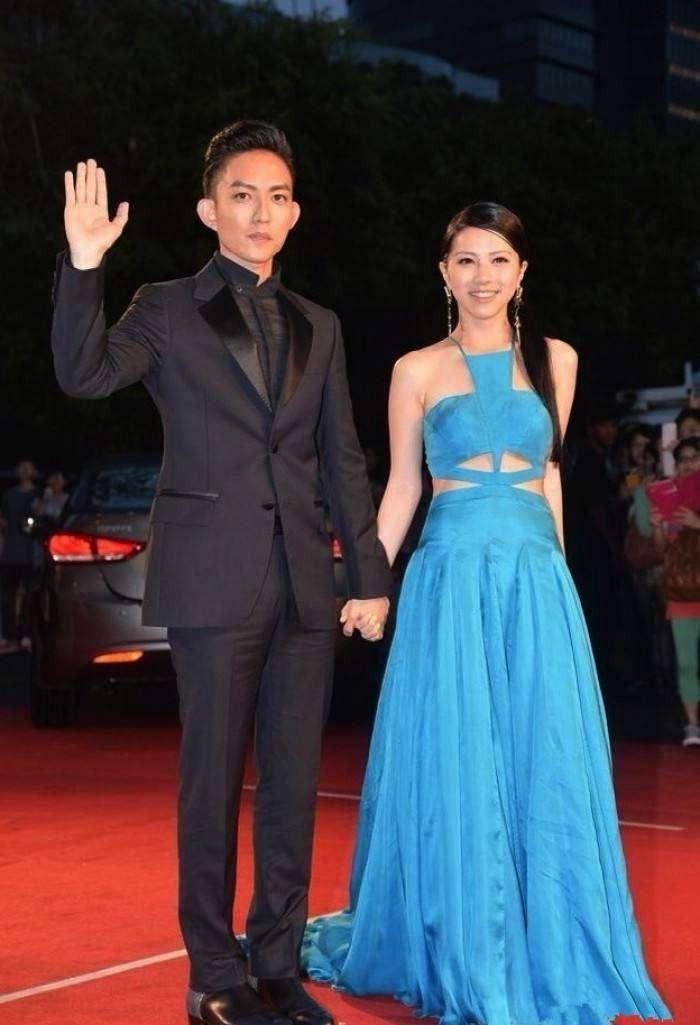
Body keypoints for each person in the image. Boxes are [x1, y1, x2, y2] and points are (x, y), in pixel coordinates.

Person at [51, 122, 392, 1025]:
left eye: (277, 196)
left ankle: (276, 964)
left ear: (295, 213)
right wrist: (83, 265)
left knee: (292, 784)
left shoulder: (321, 324)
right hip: (213, 582)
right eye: (243, 195)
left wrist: (368, 575)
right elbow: (85, 373)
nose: (261, 212)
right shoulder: (167, 308)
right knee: (210, 781)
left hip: (305, 586)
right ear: (210, 210)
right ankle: (212, 973)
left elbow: (341, 457)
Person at [303, 203, 671, 1025]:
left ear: (522, 272)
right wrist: (367, 581)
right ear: (444, 273)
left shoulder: (557, 360)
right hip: (451, 579)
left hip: (534, 582)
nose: (482, 276)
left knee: (543, 761)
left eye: (498, 259)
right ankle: (464, 945)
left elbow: (549, 475)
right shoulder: (415, 369)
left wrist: (561, 581)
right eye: (466, 260)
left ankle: (551, 944)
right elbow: (403, 486)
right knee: (458, 759)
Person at [649, 437, 700, 746]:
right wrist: (657, 526)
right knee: (687, 662)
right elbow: (660, 552)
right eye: (682, 459)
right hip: (681, 594)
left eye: (694, 457)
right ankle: (692, 724)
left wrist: (697, 522)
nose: (687, 464)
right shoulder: (672, 498)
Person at [0, 459, 41, 651]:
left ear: (34, 471)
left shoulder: (39, 494)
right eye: (21, 468)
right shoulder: (8, 495)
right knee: (8, 596)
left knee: (30, 597)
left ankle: (27, 635)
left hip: (32, 553)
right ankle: (9, 635)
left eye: (28, 468)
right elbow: (3, 521)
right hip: (10, 552)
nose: (24, 471)